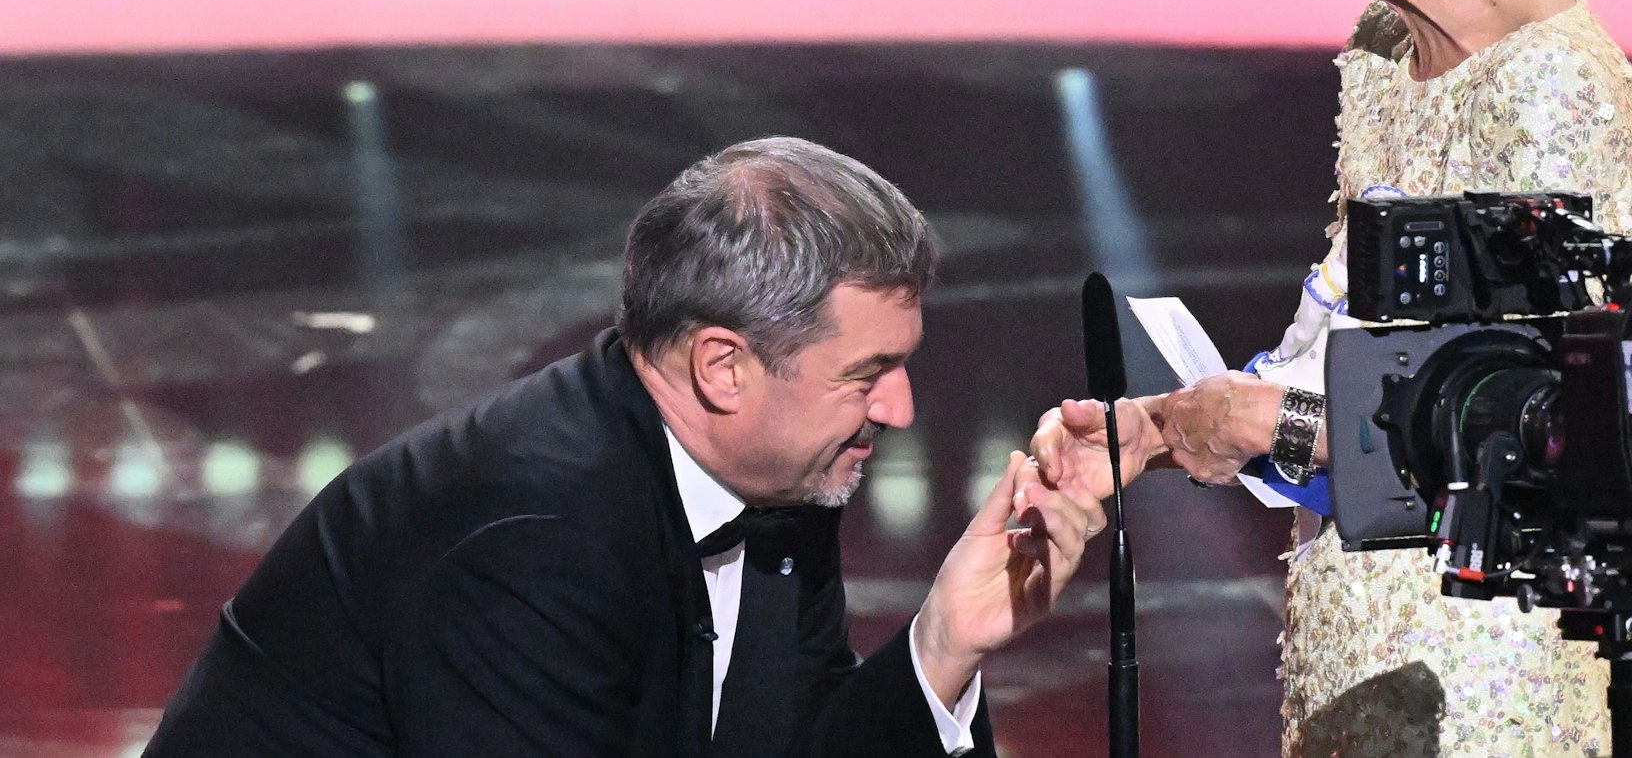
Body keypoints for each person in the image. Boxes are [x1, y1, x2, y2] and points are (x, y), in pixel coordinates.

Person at [1033, 0, 1632, 758]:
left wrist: (1266, 428)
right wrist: (1159, 429)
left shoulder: (1553, 89)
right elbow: (1348, 355)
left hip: (1477, 676)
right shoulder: (1382, 55)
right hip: (1351, 639)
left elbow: (1544, 441)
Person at [146, 136, 1104, 758]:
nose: (897, 407)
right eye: (867, 372)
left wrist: (942, 645)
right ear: (724, 368)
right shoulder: (524, 540)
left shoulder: (771, 482)